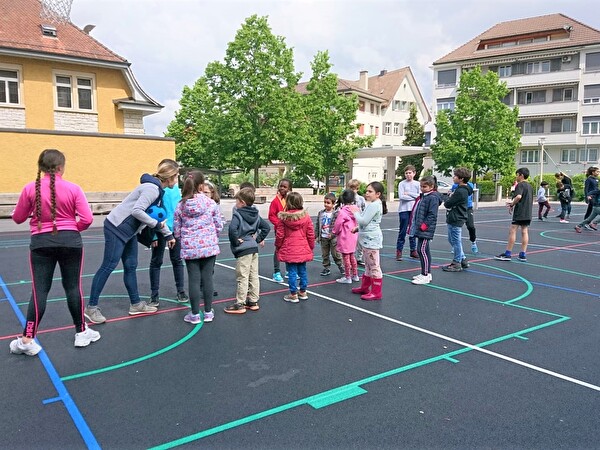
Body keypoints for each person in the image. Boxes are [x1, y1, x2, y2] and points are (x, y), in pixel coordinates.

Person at [10, 148, 98, 355]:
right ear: (61, 167)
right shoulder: (73, 188)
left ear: (41, 168)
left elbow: (17, 218)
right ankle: (81, 332)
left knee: (39, 290)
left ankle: (27, 339)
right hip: (70, 242)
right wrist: (72, 229)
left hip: (41, 242)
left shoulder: (30, 188)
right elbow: (87, 219)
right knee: (73, 287)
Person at [85, 160, 179, 324]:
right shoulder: (151, 189)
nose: (177, 180)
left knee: (131, 265)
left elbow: (158, 216)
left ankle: (135, 304)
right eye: (176, 176)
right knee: (108, 265)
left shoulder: (158, 191)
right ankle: (91, 308)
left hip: (129, 232)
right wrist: (156, 225)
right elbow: (137, 211)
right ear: (170, 177)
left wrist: (168, 235)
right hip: (116, 228)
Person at [173, 171, 223, 324]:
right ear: (201, 186)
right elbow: (218, 225)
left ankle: (194, 314)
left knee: (193, 280)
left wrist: (185, 238)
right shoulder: (210, 203)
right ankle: (208, 312)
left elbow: (176, 229)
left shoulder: (181, 205)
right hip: (208, 247)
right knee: (207, 278)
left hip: (190, 247)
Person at [224, 187, 271, 314]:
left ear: (242, 203)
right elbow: (266, 227)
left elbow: (232, 229)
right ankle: (253, 300)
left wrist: (235, 240)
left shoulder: (238, 214)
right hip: (253, 248)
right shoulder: (255, 214)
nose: (236, 204)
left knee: (242, 276)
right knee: (253, 275)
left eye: (237, 201)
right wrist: (256, 240)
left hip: (244, 249)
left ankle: (240, 303)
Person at [148, 159, 187, 308]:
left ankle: (181, 291)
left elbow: (178, 208)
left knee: (177, 260)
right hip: (159, 229)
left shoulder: (175, 188)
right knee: (156, 261)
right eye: (176, 175)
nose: (177, 179)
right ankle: (154, 295)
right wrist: (153, 235)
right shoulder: (157, 189)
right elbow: (151, 212)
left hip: (174, 229)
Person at [275, 192, 315, 303]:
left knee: (291, 272)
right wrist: (310, 246)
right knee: (302, 271)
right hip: (302, 248)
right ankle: (303, 291)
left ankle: (293, 294)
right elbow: (310, 234)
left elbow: (280, 235)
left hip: (289, 249)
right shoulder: (306, 217)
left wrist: (278, 247)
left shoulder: (284, 218)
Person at [351, 181, 387, 301]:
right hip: (366, 239)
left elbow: (364, 221)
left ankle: (376, 292)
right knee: (368, 265)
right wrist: (358, 229)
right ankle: (365, 287)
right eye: (366, 191)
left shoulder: (374, 205)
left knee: (374, 266)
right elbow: (368, 222)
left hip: (371, 240)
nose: (367, 193)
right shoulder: (372, 204)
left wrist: (355, 212)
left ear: (378, 194)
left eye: (370, 191)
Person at [409, 176, 443, 285]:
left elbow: (432, 215)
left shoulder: (432, 198)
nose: (422, 188)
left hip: (426, 229)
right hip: (421, 228)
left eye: (425, 186)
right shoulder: (425, 196)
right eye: (421, 186)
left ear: (431, 187)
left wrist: (424, 225)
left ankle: (425, 275)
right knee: (424, 250)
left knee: (421, 250)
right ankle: (426, 273)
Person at [495, 167, 533, 262]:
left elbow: (519, 196)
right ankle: (522, 254)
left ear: (521, 175)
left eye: (517, 175)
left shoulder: (520, 185)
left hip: (520, 211)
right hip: (528, 212)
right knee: (524, 231)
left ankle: (508, 253)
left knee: (513, 230)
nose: (516, 177)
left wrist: (512, 204)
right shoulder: (530, 186)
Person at [442, 167, 473, 272]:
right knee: (452, 240)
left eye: (455, 176)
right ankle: (463, 259)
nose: (453, 177)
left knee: (456, 241)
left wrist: (448, 196)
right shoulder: (464, 189)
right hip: (455, 217)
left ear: (461, 179)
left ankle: (456, 262)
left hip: (456, 217)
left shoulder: (460, 191)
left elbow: (448, 203)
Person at [333, 189, 360, 284]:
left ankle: (347, 276)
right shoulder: (356, 209)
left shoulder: (343, 211)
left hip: (345, 236)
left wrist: (335, 232)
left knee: (345, 257)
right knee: (352, 255)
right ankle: (355, 275)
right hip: (354, 235)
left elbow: (338, 224)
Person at [315, 192, 344, 277]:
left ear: (333, 204)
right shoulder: (321, 213)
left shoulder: (336, 214)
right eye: (325, 202)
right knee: (325, 254)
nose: (326, 204)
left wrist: (333, 234)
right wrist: (316, 235)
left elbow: (338, 226)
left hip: (333, 237)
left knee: (336, 254)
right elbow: (318, 224)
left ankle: (340, 266)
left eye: (328, 203)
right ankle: (326, 268)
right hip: (323, 237)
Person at [268, 178, 292, 282]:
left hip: (290, 229)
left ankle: (288, 271)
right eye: (281, 186)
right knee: (278, 249)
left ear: (289, 188)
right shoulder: (275, 201)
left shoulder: (291, 200)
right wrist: (279, 224)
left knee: (289, 249)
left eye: (284, 187)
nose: (282, 188)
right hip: (280, 230)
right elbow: (271, 215)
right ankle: (276, 272)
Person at [396, 165, 421, 261]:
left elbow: (419, 196)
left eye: (410, 173)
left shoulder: (417, 184)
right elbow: (402, 197)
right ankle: (399, 251)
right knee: (402, 230)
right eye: (406, 173)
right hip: (404, 209)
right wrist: (413, 197)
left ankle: (413, 250)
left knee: (413, 230)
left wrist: (409, 194)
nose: (408, 175)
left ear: (414, 173)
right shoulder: (402, 184)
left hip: (414, 209)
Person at [450, 178, 479, 253]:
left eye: (455, 176)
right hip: (458, 208)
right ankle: (455, 245)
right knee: (456, 228)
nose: (454, 178)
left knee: (471, 226)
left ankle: (473, 242)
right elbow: (452, 195)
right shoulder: (455, 186)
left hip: (468, 208)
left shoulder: (470, 185)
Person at [346, 179, 366, 265]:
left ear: (357, 189)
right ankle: (351, 256)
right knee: (350, 240)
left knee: (360, 241)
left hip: (358, 222)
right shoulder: (347, 198)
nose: (353, 190)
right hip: (350, 222)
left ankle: (359, 257)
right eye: (351, 188)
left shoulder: (361, 199)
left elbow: (364, 209)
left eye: (355, 188)